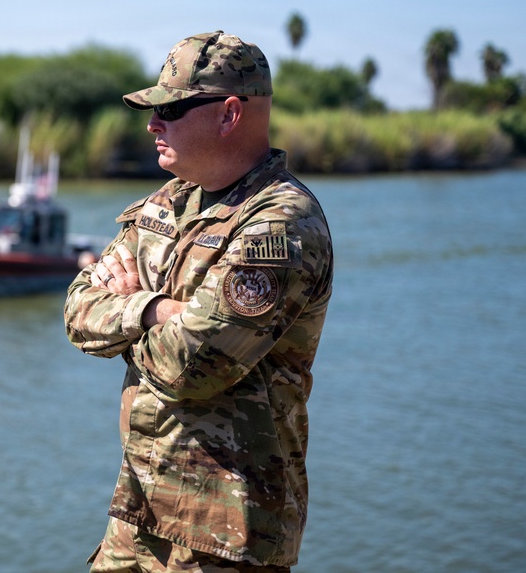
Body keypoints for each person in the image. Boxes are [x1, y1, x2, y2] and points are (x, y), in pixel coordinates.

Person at [63, 31, 334, 573]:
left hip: (226, 535)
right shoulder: (169, 201)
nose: (153, 123)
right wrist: (153, 310)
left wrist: (130, 305)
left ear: (229, 114)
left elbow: (192, 365)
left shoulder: (280, 223)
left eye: (172, 108)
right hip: (137, 512)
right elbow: (77, 310)